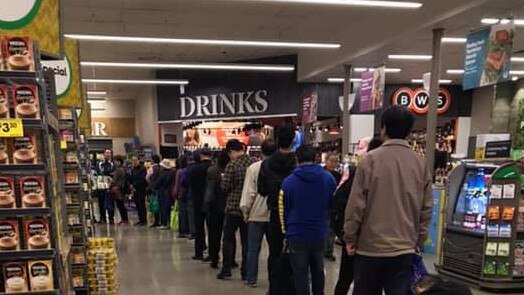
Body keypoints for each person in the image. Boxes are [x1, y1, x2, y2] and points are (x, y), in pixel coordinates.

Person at [344, 106, 433, 295]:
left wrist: (350, 237)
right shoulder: (420, 163)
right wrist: (419, 238)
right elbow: (426, 207)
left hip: (370, 248)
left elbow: (356, 205)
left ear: (383, 128)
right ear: (409, 131)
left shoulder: (370, 160)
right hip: (404, 248)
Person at [279, 145, 336, 295]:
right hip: (319, 233)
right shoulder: (328, 179)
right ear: (316, 159)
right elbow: (332, 205)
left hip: (296, 234)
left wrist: (286, 232)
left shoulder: (288, 182)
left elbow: (283, 209)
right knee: (318, 270)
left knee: (300, 274)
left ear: (297, 160)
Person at [332, 138, 382, 295]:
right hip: (382, 242)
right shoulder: (398, 173)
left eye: (361, 148)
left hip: (360, 239)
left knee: (349, 279)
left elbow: (348, 205)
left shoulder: (358, 175)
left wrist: (347, 235)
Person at [257, 125, 296, 291]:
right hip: (295, 212)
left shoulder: (267, 163)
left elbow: (262, 189)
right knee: (295, 252)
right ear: (293, 140)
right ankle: (292, 286)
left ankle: (274, 287)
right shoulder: (297, 161)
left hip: (274, 212)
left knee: (274, 251)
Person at [240, 139, 277, 288]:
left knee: (253, 249)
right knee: (275, 250)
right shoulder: (280, 167)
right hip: (274, 214)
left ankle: (251, 278)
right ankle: (274, 279)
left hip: (256, 214)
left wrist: (245, 211)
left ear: (261, 151)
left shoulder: (253, 168)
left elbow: (249, 193)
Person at [217, 139, 253, 280]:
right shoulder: (253, 163)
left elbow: (225, 187)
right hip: (248, 209)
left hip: (232, 207)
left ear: (231, 151)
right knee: (246, 241)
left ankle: (226, 269)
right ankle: (246, 272)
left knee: (228, 239)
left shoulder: (232, 165)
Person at [204, 151, 230, 269]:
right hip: (228, 205)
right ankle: (230, 259)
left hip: (213, 206)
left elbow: (208, 189)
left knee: (214, 234)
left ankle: (214, 257)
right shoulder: (230, 170)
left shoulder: (211, 171)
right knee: (229, 235)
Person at [188, 148, 213, 261]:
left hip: (197, 200)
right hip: (211, 202)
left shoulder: (194, 169)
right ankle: (212, 253)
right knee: (212, 228)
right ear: (211, 156)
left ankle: (199, 252)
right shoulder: (214, 168)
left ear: (201, 155)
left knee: (199, 227)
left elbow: (190, 184)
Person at [324, 152, 342, 261]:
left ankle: (328, 251)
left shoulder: (338, 176)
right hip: (324, 204)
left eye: (335, 161)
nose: (333, 164)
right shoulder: (321, 173)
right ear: (326, 161)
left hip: (333, 205)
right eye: (331, 161)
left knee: (331, 229)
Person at [150, 159, 175, 230]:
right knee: (168, 208)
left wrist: (153, 186)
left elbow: (157, 183)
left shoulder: (163, 174)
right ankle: (169, 222)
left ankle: (164, 223)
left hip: (162, 192)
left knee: (163, 207)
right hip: (169, 191)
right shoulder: (172, 172)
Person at [172, 155, 189, 237]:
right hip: (188, 194)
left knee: (181, 213)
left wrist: (175, 194)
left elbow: (177, 185)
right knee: (188, 213)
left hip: (181, 195)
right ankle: (188, 230)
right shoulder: (188, 170)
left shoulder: (179, 171)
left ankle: (182, 231)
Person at [97, 149, 114, 224]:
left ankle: (111, 218)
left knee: (111, 203)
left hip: (110, 186)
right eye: (106, 153)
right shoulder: (100, 164)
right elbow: (98, 173)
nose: (108, 155)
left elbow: (113, 173)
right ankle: (102, 218)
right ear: (103, 154)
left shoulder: (112, 164)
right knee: (101, 203)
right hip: (101, 186)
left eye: (109, 153)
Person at [112, 155, 129, 225]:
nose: (114, 162)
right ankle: (124, 219)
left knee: (120, 205)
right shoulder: (121, 169)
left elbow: (116, 180)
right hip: (119, 189)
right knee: (120, 205)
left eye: (115, 161)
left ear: (119, 161)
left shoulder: (119, 170)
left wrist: (113, 186)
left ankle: (125, 219)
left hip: (119, 190)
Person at [130, 157, 148, 226]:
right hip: (135, 190)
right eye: (133, 161)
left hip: (141, 189)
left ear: (138, 161)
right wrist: (131, 184)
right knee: (137, 205)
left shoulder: (142, 169)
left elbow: (143, 179)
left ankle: (144, 220)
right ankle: (140, 219)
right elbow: (132, 178)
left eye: (135, 161)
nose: (134, 162)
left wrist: (135, 184)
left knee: (142, 204)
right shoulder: (133, 169)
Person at [147, 155, 162, 227]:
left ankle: (156, 221)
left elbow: (147, 177)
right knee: (160, 205)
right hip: (161, 188)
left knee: (155, 205)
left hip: (153, 188)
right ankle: (161, 221)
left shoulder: (152, 168)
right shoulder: (161, 168)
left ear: (152, 160)